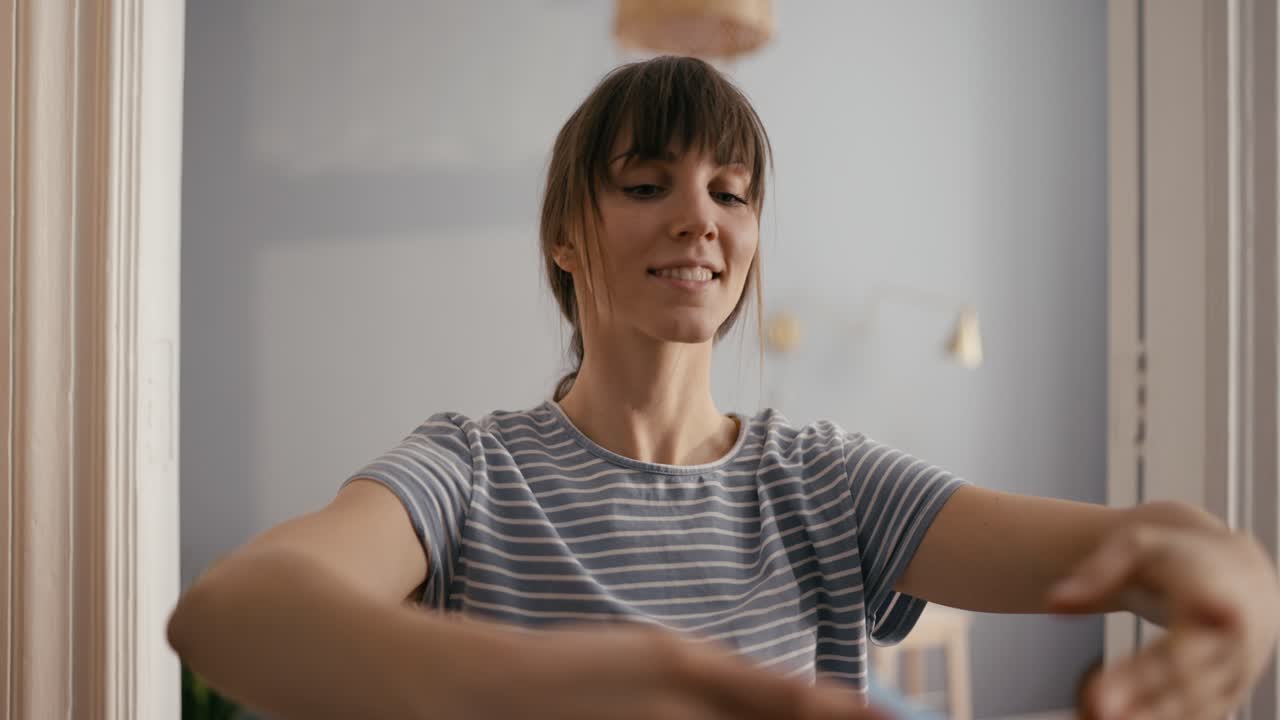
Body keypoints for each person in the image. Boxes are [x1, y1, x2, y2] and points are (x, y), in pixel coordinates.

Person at [168, 56, 1280, 720]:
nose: (699, 217)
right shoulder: (471, 466)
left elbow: (1137, 548)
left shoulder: (825, 482)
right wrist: (544, 690)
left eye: (731, 192)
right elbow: (230, 613)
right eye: (645, 184)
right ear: (564, 235)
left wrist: (1231, 574)